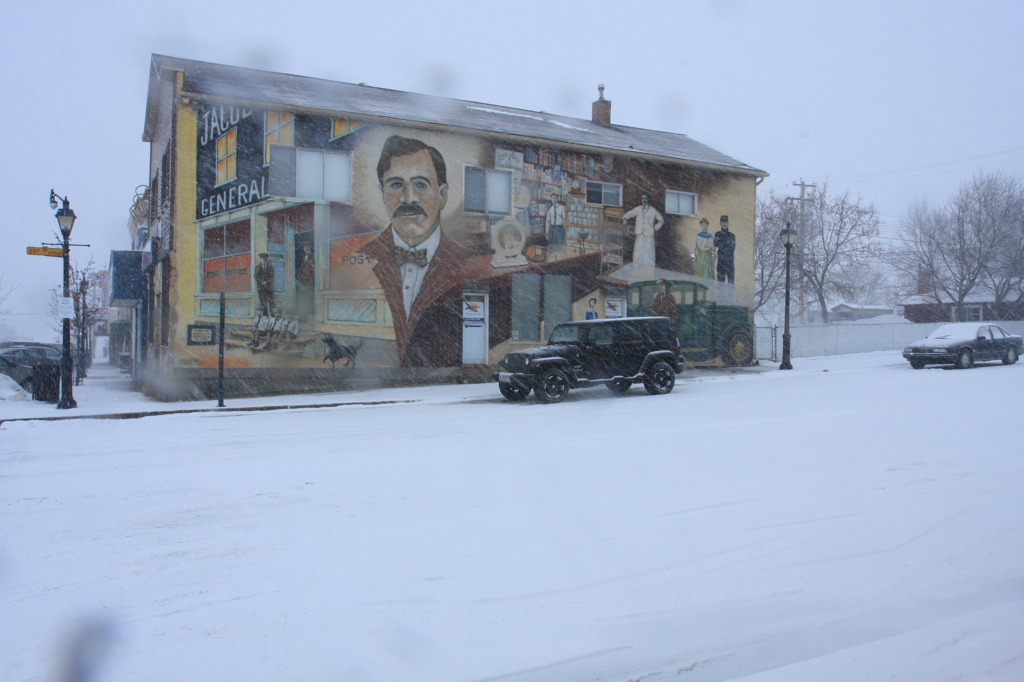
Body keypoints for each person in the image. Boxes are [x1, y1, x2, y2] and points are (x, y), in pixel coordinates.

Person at [358, 135, 470, 367]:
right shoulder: (361, 259)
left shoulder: (465, 262)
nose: (408, 198)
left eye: (421, 184)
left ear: (443, 195)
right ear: (382, 193)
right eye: (396, 185)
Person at [622, 193, 664, 267]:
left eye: (645, 198)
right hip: (639, 234)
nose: (643, 200)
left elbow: (661, 220)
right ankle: (637, 268)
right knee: (638, 252)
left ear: (648, 199)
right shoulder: (638, 209)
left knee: (649, 252)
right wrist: (625, 218)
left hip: (649, 234)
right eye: (642, 199)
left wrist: (655, 228)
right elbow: (630, 213)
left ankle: (649, 270)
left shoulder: (653, 210)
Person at [714, 215, 736, 283]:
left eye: (726, 222)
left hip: (730, 262)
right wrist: (727, 242)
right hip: (721, 262)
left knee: (731, 283)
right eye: (723, 222)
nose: (724, 224)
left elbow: (732, 246)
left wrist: (722, 242)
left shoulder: (732, 235)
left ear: (728, 223)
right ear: (720, 223)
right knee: (720, 283)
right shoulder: (717, 234)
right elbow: (716, 244)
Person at [254, 252, 275, 317]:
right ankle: (264, 316)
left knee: (271, 302)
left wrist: (267, 282)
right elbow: (256, 276)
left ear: (266, 258)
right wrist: (262, 282)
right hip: (260, 287)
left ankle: (273, 316)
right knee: (262, 303)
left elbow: (272, 277)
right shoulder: (258, 267)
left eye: (265, 258)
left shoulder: (270, 267)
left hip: (269, 287)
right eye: (262, 258)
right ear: (260, 259)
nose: (263, 259)